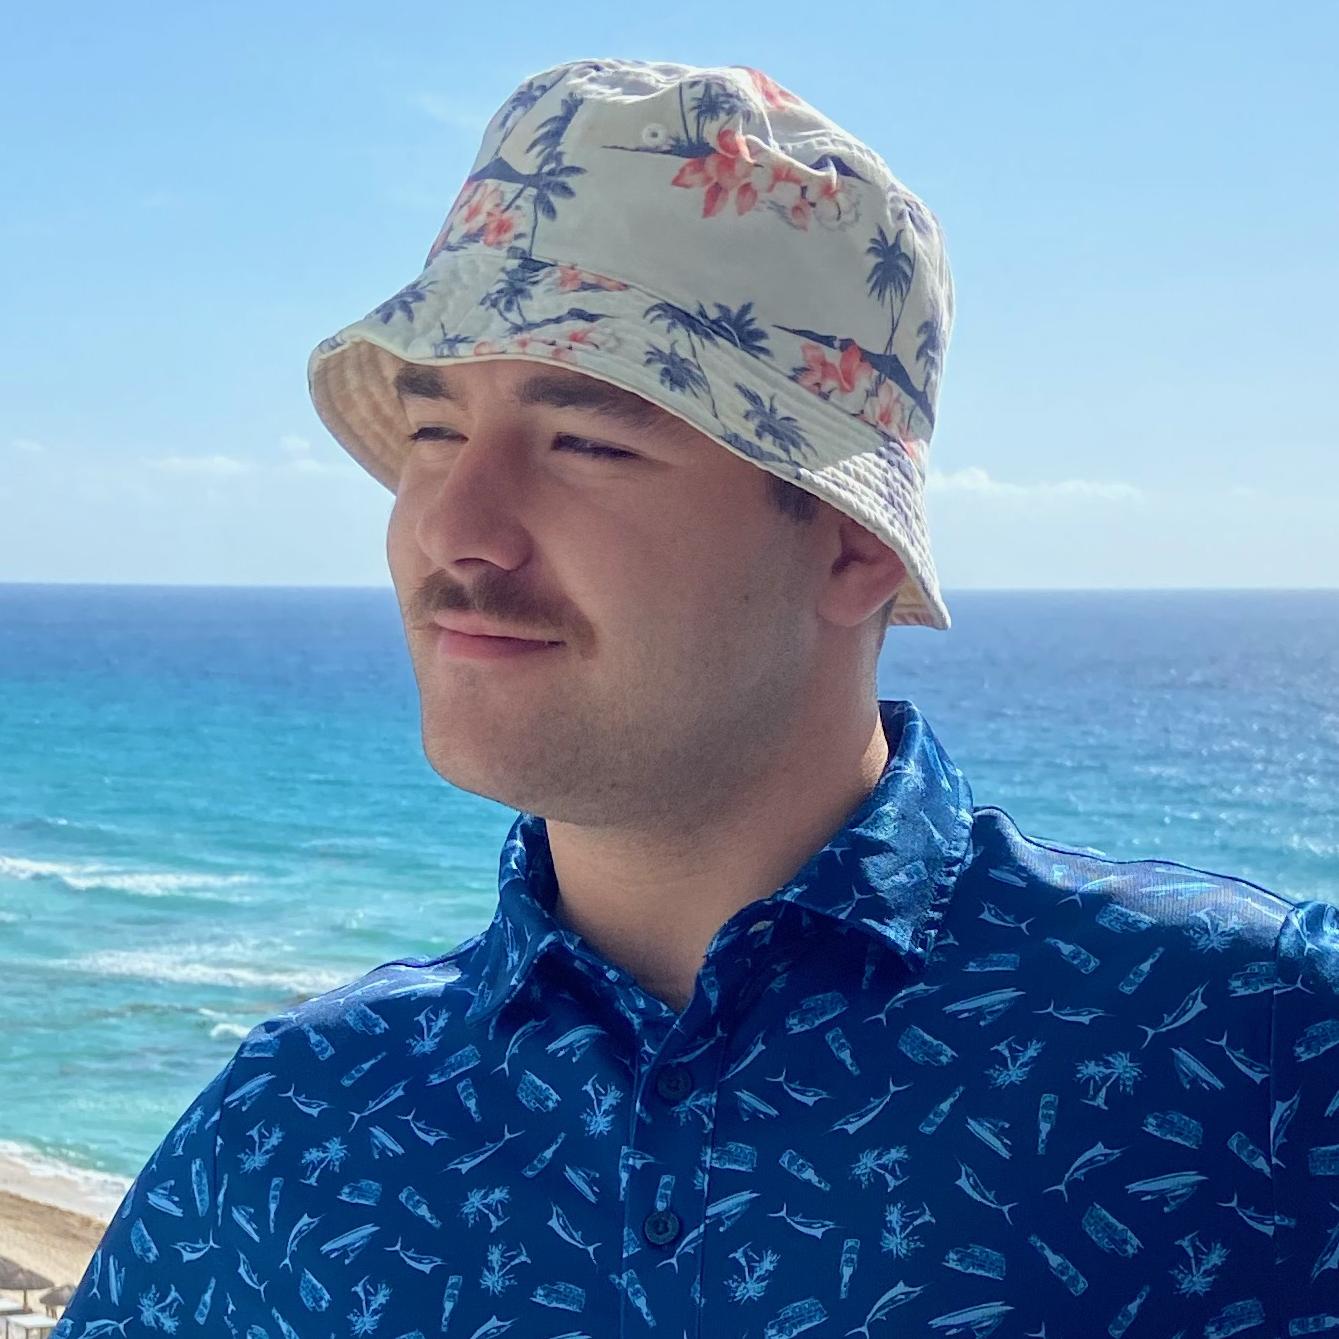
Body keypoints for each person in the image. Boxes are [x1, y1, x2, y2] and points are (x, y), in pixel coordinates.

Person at [56, 57, 1336, 1339]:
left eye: (587, 441)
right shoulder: (288, 1136)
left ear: (853, 543)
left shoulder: (1251, 1049)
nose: (452, 526)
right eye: (435, 431)